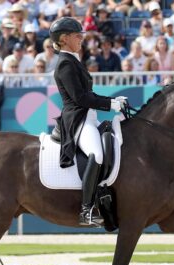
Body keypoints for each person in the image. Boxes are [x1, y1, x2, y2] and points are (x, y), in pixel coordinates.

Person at [49, 17, 128, 226]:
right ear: (64, 39)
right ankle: (86, 210)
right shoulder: (65, 64)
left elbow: (88, 94)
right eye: (77, 36)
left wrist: (112, 102)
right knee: (97, 154)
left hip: (88, 117)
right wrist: (110, 104)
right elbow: (81, 98)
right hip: (78, 119)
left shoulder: (74, 60)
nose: (81, 39)